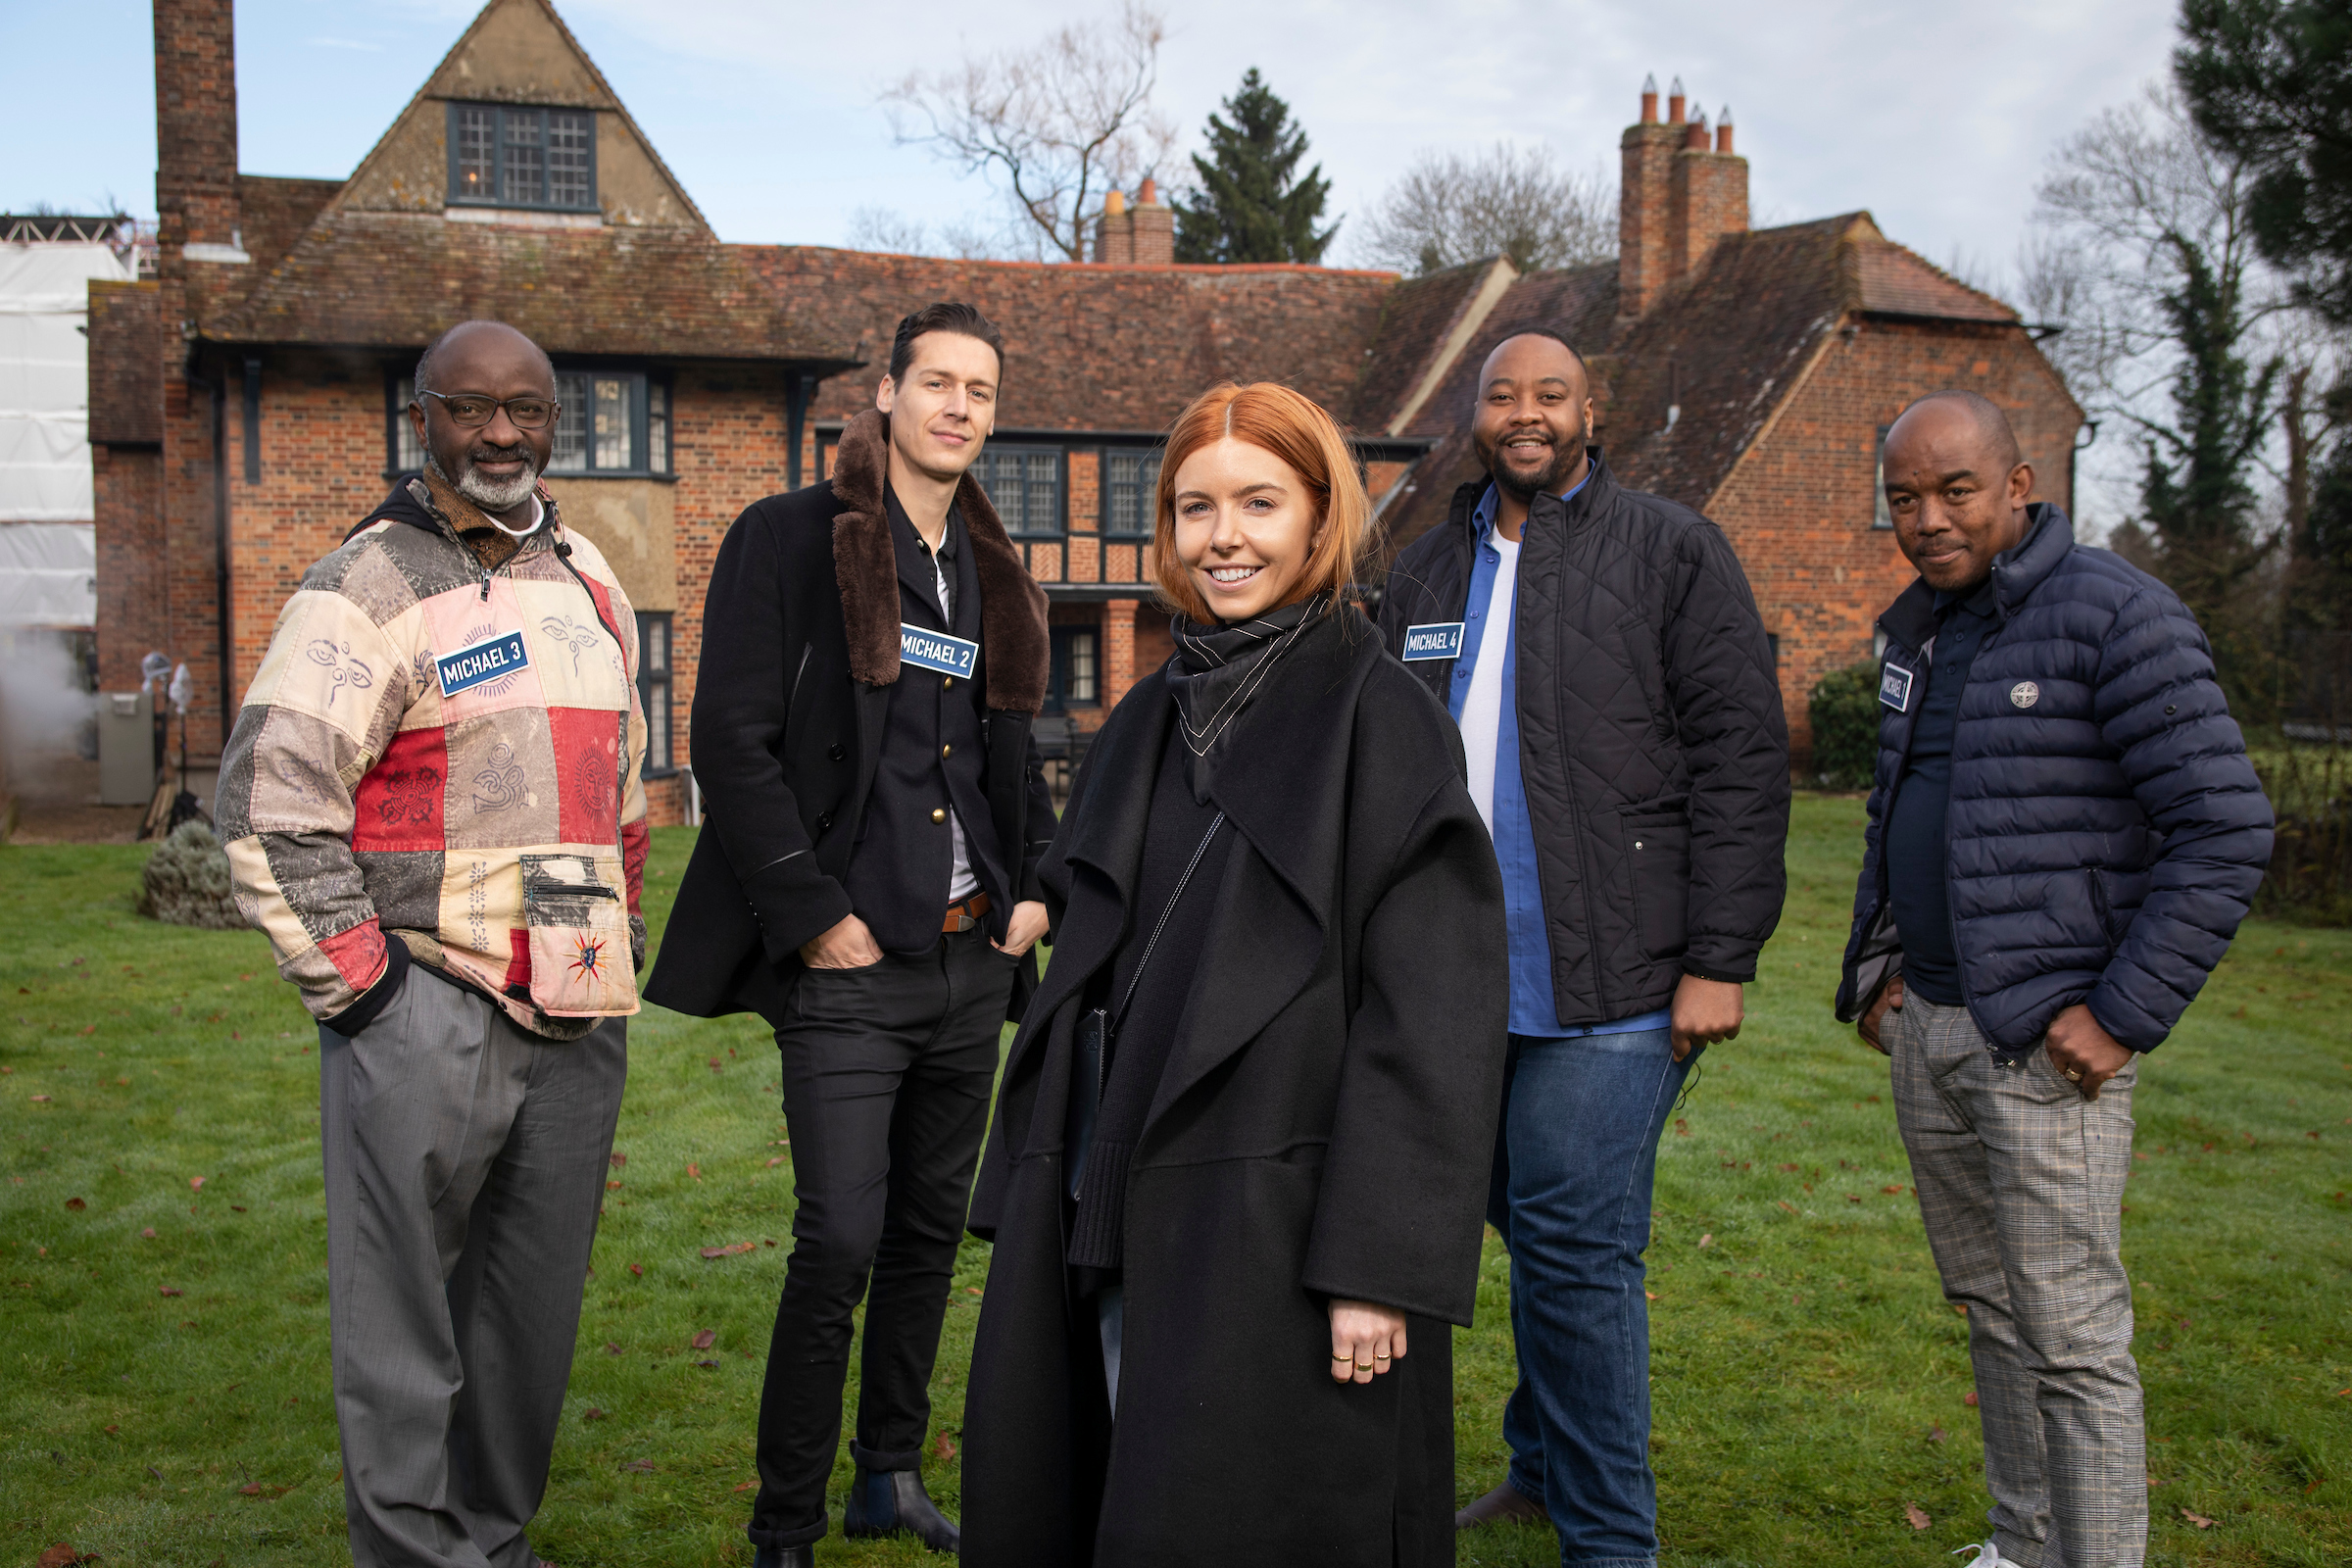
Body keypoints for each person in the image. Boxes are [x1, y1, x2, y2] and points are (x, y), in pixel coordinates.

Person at [957, 381, 1509, 1567]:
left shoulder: (1386, 722)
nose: (1224, 537)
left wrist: (1378, 1260)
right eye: (1195, 506)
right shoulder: (1147, 715)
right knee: (1120, 1490)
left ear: (1320, 516)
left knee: (1259, 1515)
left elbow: (1435, 1017)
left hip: (1283, 1217)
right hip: (1115, 1188)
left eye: (1259, 502)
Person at [216, 319, 646, 1568]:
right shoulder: (364, 583)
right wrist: (370, 999)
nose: (501, 433)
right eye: (470, 408)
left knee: (525, 1327)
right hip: (428, 1005)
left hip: (576, 1013)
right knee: (402, 1331)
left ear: (554, 421)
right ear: (423, 420)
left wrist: (617, 934)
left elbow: (621, 794)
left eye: (527, 409)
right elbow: (268, 804)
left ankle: (492, 1543)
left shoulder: (593, 579)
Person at [644, 303, 1055, 1566]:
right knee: (837, 1241)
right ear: (887, 392)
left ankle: (889, 1475)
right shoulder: (787, 537)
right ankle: (785, 1522)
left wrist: (1034, 888)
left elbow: (1006, 756)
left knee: (929, 1237)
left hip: (969, 961)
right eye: (937, 382)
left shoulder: (992, 571)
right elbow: (731, 740)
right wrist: (812, 916)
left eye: (981, 391)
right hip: (850, 969)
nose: (959, 407)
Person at [1837, 390, 2273, 1568]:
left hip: (2047, 1047)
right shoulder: (1918, 628)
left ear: (2020, 486)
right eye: (1904, 499)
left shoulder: (2116, 614)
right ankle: (2025, 1545)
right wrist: (1880, 968)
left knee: (2072, 1339)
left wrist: (2122, 1013)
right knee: (1993, 1308)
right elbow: (1898, 806)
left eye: (1955, 491)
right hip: (1932, 1025)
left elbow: (2225, 828)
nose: (1928, 519)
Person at [1378, 329, 1790, 1561]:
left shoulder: (1671, 551)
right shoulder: (1422, 573)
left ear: (1590, 412)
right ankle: (1544, 1466)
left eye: (1550, 394)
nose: (1527, 413)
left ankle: (1610, 1541)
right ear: (1475, 416)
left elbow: (1743, 761)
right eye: (1503, 395)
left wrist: (1720, 957)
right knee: (1530, 1225)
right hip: (1454, 981)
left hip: (1618, 983)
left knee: (1574, 1245)